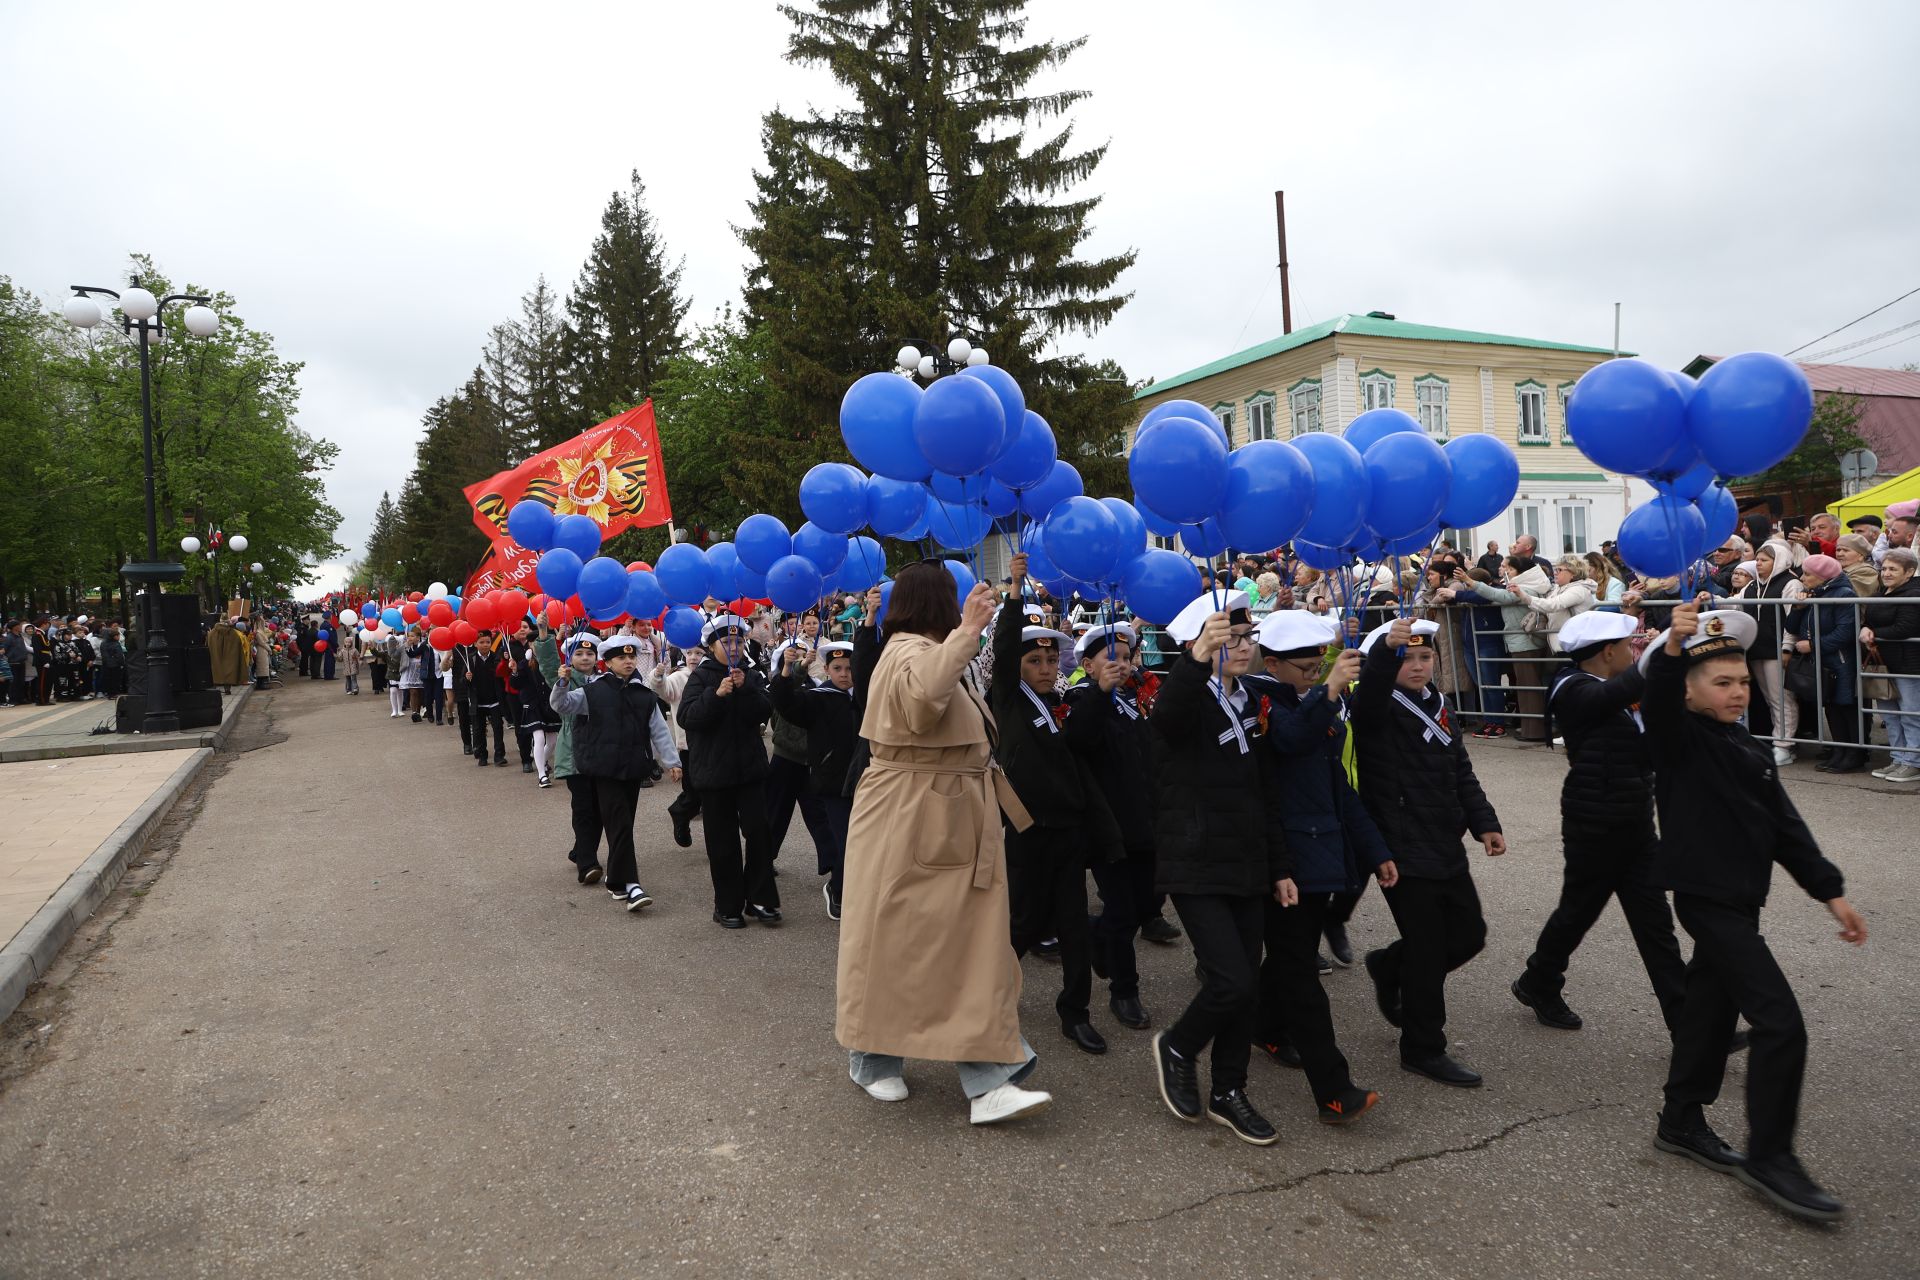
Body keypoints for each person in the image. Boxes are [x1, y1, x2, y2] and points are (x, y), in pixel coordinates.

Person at [1643, 601, 1866, 1222]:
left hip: (1743, 899)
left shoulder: (1745, 744)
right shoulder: (1678, 739)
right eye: (1722, 683)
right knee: (1780, 1024)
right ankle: (1771, 1158)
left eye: (1743, 682)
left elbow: (1784, 826)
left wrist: (1830, 890)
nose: (1739, 692)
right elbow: (1657, 702)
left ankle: (1680, 1119)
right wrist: (1669, 654)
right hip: (1709, 902)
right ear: (1690, 694)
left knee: (1711, 1012)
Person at [835, 561, 1053, 1125]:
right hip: (913, 815)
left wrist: (996, 611)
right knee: (899, 939)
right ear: (937, 603)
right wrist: (968, 630)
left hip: (941, 811)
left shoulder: (928, 648)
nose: (961, 608)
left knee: (962, 945)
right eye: (954, 600)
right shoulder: (906, 649)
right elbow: (923, 698)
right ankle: (876, 1056)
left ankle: (985, 1078)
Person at [1147, 589, 1294, 1147]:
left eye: (1246, 635)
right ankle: (1179, 1046)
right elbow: (1168, 717)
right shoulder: (1182, 695)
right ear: (1198, 642)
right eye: (1228, 635)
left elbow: (1265, 793)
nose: (1241, 645)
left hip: (1249, 862)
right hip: (1195, 860)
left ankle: (1230, 1092)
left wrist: (1279, 865)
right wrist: (1191, 661)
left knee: (1247, 985)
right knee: (1229, 978)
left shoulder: (1249, 698)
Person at [1511, 611, 1686, 1037]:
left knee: (1656, 927)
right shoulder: (1572, 689)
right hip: (1594, 825)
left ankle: (1691, 1026)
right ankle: (1539, 981)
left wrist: (1677, 655)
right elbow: (1624, 690)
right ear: (1608, 652)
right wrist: (1668, 644)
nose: (1632, 652)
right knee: (1577, 912)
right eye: (1628, 646)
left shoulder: (1608, 689)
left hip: (1634, 823)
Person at [1251, 612, 1393, 1125]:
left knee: (1289, 958)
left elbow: (1338, 786)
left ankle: (1264, 1026)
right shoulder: (1261, 697)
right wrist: (1325, 691)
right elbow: (1288, 740)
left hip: (1318, 849)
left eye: (1319, 666)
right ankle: (1333, 1089)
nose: (1316, 673)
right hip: (1285, 858)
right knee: (1298, 971)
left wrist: (1375, 851)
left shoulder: (1312, 699)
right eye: (1307, 667)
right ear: (1274, 664)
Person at [1353, 616, 1506, 1088]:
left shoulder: (1438, 704)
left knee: (1469, 935)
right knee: (1428, 948)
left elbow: (1460, 768)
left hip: (1443, 838)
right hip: (1399, 844)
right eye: (1407, 659)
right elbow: (1370, 694)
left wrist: (1484, 822)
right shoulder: (1376, 706)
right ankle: (1422, 1048)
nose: (1418, 666)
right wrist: (1383, 655)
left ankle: (1387, 964)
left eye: (1425, 657)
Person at [989, 558, 1122, 1056]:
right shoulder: (1008, 697)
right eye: (1035, 662)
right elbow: (1004, 650)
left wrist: (1103, 693)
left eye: (1050, 662)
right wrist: (1016, 593)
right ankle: (988, 996)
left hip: (1068, 830)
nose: (1045, 669)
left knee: (1072, 925)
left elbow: (1083, 746)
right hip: (1028, 832)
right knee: (1022, 923)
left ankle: (1075, 1012)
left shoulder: (1061, 701)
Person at [1064, 622, 1160, 1034]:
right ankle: (1125, 989)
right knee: (1122, 909)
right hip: (1109, 827)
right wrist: (1102, 690)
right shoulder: (1082, 696)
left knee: (1146, 904)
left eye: (1127, 657)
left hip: (1147, 821)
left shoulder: (1135, 699)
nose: (1123, 665)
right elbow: (1081, 737)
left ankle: (1095, 934)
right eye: (1111, 658)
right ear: (1087, 665)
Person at [549, 633, 682, 912]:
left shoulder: (643, 695)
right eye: (621, 657)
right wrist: (561, 682)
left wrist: (672, 762)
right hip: (603, 769)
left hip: (633, 769)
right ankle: (632, 885)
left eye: (632, 656)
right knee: (620, 824)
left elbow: (658, 730)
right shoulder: (593, 691)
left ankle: (615, 880)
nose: (628, 661)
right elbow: (561, 705)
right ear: (607, 662)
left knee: (624, 824)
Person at [678, 614, 779, 929]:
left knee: (760, 834)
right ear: (711, 646)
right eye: (726, 642)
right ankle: (728, 905)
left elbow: (766, 710)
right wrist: (716, 695)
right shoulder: (701, 676)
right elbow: (688, 718)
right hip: (714, 774)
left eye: (738, 641)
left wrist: (746, 687)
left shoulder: (750, 674)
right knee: (722, 843)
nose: (733, 647)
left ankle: (761, 898)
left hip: (750, 771)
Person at [768, 639, 859, 919]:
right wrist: (786, 670)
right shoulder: (818, 698)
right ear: (827, 670)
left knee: (863, 844)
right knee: (845, 842)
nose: (844, 673)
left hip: (865, 782)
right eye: (837, 668)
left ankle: (856, 891)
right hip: (832, 785)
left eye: (849, 668)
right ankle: (838, 891)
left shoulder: (865, 698)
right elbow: (784, 703)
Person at [1460, 556, 1554, 741]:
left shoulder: (1524, 588)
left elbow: (1500, 596)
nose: (1504, 571)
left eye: (1508, 569)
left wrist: (1471, 582)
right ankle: (1530, 727)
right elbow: (1498, 598)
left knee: (1528, 688)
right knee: (1527, 687)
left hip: (1525, 643)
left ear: (1519, 571)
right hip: (1523, 642)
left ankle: (1533, 731)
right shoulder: (1524, 585)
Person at [1784, 555, 1863, 773]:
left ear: (1823, 576)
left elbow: (1845, 631)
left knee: (1845, 706)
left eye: (1808, 574)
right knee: (1831, 707)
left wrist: (1813, 644)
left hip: (1840, 659)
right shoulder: (1814, 593)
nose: (1803, 578)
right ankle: (1838, 751)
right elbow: (1791, 626)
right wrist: (1798, 607)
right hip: (1823, 660)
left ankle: (1854, 754)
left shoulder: (1843, 594)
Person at [551, 634, 608, 883]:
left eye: (590, 654)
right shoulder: (566, 679)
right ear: (569, 658)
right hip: (574, 754)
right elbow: (546, 664)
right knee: (584, 807)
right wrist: (544, 636)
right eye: (579, 654)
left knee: (599, 809)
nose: (585, 658)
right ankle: (587, 864)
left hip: (600, 753)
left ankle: (580, 850)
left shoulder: (605, 680)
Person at [1743, 539, 1805, 765]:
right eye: (1757, 559)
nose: (1758, 563)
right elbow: (1734, 605)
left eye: (1764, 560)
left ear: (1777, 560)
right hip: (1757, 648)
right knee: (1771, 699)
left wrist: (1787, 647)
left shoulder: (1790, 583)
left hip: (1776, 649)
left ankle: (1784, 745)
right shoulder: (1751, 586)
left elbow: (1792, 619)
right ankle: (1779, 740)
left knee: (1782, 698)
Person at [1862, 548, 1920, 782]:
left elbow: (1906, 628)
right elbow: (1869, 619)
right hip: (1884, 663)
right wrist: (1866, 627)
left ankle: (1913, 761)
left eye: (1892, 569)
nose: (1886, 573)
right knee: (1890, 714)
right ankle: (1898, 758)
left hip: (1908, 664)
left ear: (1909, 572)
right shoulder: (1881, 593)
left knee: (1910, 714)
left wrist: (1873, 632)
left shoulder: (1913, 594)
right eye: (1884, 568)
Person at [1833, 533, 1879, 598]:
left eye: (1846, 550)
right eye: (1838, 550)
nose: (1840, 554)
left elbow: (1847, 593)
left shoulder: (1867, 571)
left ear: (1861, 556)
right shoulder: (1836, 570)